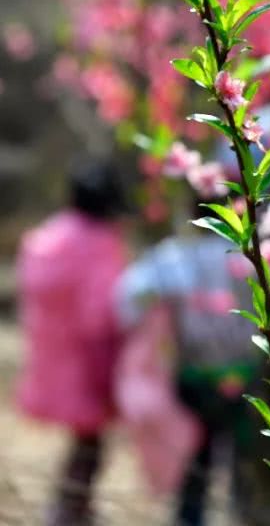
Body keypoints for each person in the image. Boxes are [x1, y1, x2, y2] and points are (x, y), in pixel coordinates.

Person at [116, 201, 270, 526]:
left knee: (195, 464)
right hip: (244, 376)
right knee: (242, 463)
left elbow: (127, 299)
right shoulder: (254, 258)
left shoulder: (175, 256)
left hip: (194, 377)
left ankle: (190, 518)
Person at [15, 160, 129, 526]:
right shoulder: (100, 245)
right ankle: (70, 511)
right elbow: (100, 318)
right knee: (90, 444)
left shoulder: (46, 238)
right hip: (87, 363)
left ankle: (71, 508)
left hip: (52, 358)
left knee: (84, 442)